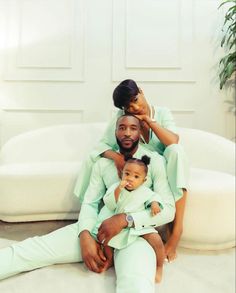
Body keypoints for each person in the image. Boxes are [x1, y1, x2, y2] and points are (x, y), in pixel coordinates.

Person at [0, 115, 175, 293]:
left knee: (136, 284)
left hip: (137, 236)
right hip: (98, 229)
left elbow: (168, 210)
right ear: (115, 132)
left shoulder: (155, 161)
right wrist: (85, 235)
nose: (127, 133)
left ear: (141, 133)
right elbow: (90, 203)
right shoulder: (103, 163)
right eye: (121, 128)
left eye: (133, 128)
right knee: (29, 250)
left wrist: (126, 219)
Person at [74, 79, 189, 262]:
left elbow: (173, 140)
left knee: (176, 152)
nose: (134, 108)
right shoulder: (123, 116)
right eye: (128, 107)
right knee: (92, 159)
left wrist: (148, 121)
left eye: (135, 100)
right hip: (139, 167)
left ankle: (176, 232)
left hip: (162, 165)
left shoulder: (162, 112)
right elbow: (102, 144)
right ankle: (88, 213)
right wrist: (117, 158)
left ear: (141, 91)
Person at [94, 155, 165, 283]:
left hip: (137, 226)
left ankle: (159, 266)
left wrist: (154, 204)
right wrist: (118, 190)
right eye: (127, 174)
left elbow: (154, 197)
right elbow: (110, 203)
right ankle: (110, 260)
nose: (130, 179)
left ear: (144, 180)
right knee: (106, 241)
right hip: (119, 226)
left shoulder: (145, 191)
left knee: (157, 240)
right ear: (121, 174)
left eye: (136, 176)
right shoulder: (116, 188)